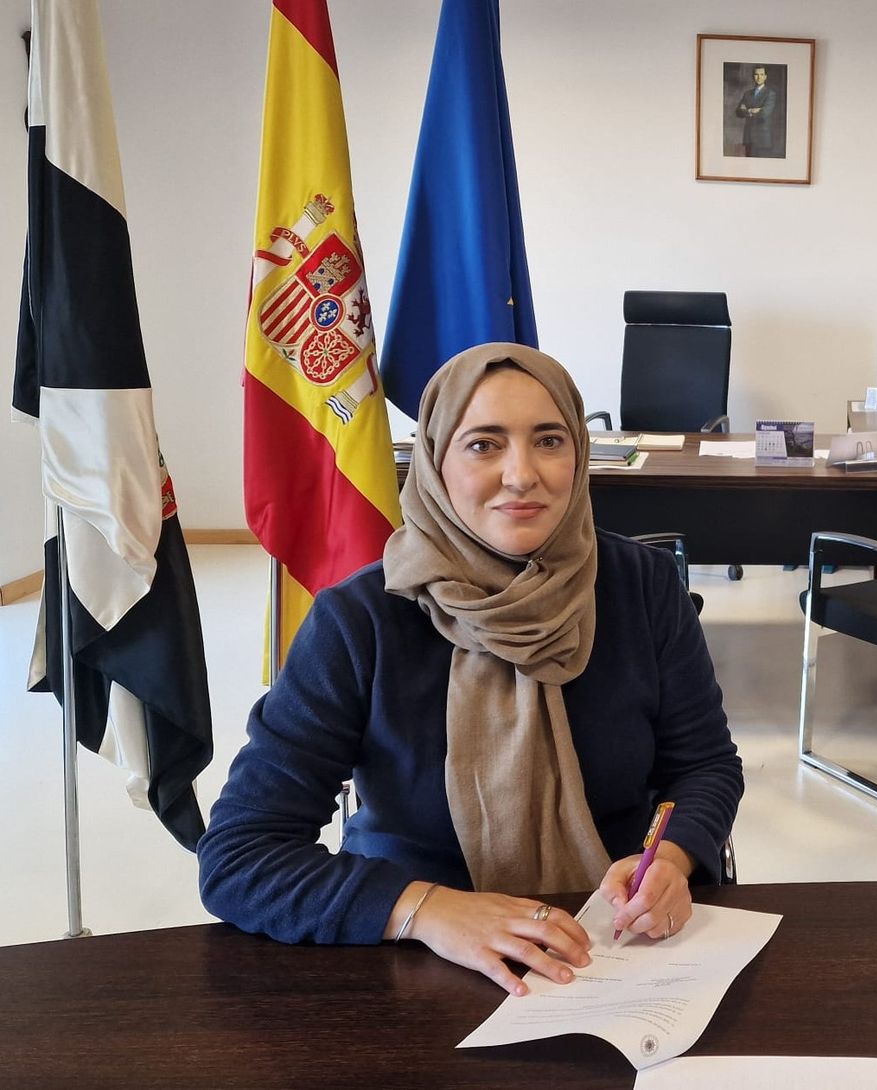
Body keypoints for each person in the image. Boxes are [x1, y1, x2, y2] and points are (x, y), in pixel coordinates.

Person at [199, 343, 743, 995]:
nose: (522, 475)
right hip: (414, 960)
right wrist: (428, 909)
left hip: (611, 946)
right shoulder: (361, 620)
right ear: (434, 460)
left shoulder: (643, 587)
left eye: (549, 440)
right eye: (484, 444)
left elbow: (703, 765)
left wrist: (673, 856)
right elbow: (240, 856)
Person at [734, 65, 779, 157]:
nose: (759, 77)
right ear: (753, 76)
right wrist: (753, 110)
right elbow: (738, 112)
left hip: (762, 139)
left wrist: (747, 110)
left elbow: (764, 113)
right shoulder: (747, 94)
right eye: (756, 74)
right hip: (748, 138)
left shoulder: (770, 94)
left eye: (761, 74)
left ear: (765, 76)